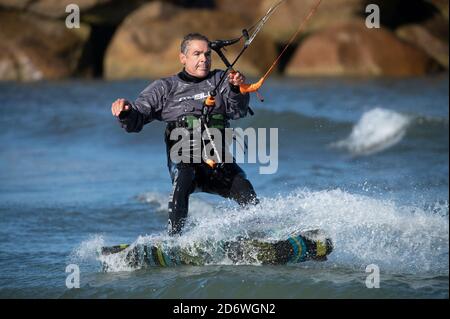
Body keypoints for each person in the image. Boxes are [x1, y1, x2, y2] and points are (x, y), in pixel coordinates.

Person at [111, 33, 258, 236]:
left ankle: (260, 234)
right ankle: (174, 240)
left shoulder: (223, 80)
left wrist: (236, 89)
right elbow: (136, 120)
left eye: (207, 54)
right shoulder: (165, 88)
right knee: (185, 176)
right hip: (184, 163)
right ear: (183, 58)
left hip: (217, 162)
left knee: (243, 185)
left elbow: (238, 111)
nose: (203, 59)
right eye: (196, 54)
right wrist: (126, 112)